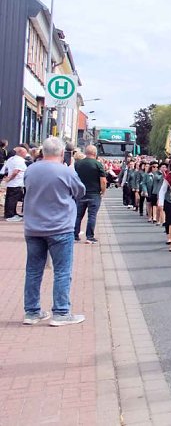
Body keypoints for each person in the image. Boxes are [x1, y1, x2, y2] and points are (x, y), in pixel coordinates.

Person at [21, 137, 86, 326]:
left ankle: (32, 312)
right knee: (62, 271)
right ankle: (61, 312)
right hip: (60, 226)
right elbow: (79, 192)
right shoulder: (65, 171)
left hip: (33, 227)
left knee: (33, 270)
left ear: (43, 152)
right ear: (61, 152)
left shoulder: (31, 169)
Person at [73, 145, 106, 243]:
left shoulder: (78, 164)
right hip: (94, 193)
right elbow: (103, 181)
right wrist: (102, 191)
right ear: (95, 153)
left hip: (80, 193)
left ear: (85, 152)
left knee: (78, 215)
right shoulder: (98, 164)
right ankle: (89, 236)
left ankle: (75, 235)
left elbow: (74, 178)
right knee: (92, 216)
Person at [2, 145, 28, 221]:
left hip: (12, 183)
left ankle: (12, 212)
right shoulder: (20, 160)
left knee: (10, 198)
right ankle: (10, 215)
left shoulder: (11, 159)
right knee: (12, 199)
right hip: (16, 182)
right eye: (25, 153)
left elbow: (5, 169)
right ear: (21, 153)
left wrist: (7, 178)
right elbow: (16, 171)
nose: (25, 155)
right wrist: (9, 178)